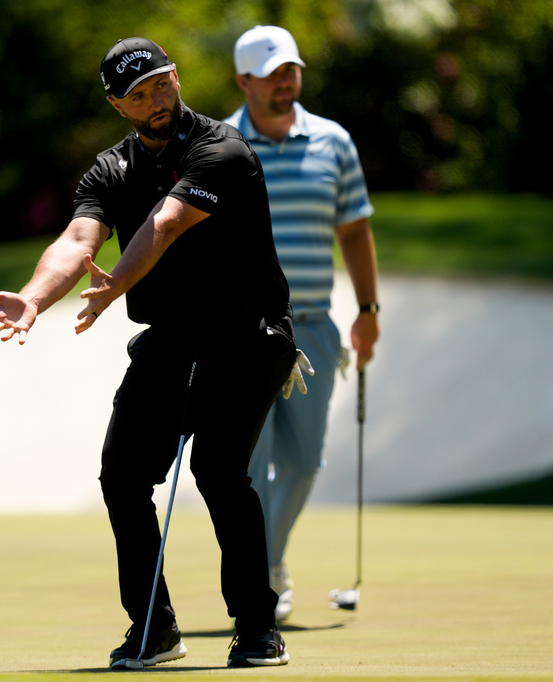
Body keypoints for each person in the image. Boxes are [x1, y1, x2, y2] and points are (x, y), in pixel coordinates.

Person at [0, 38, 305, 669]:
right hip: (172, 339)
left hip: (248, 334)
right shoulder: (111, 169)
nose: (155, 100)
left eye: (161, 84)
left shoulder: (222, 149)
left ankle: (258, 629)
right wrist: (35, 299)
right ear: (116, 105)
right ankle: (154, 629)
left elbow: (166, 222)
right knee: (123, 477)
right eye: (138, 94)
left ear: (176, 78)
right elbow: (78, 238)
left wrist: (114, 286)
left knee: (217, 470)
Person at [224, 25, 380, 621]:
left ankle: (268, 559)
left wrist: (367, 311)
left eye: (291, 69)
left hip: (314, 326)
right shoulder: (219, 146)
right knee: (249, 462)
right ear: (244, 81)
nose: (286, 80)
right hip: (240, 332)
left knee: (303, 459)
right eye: (272, 72)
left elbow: (355, 232)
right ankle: (262, 579)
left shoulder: (333, 143)